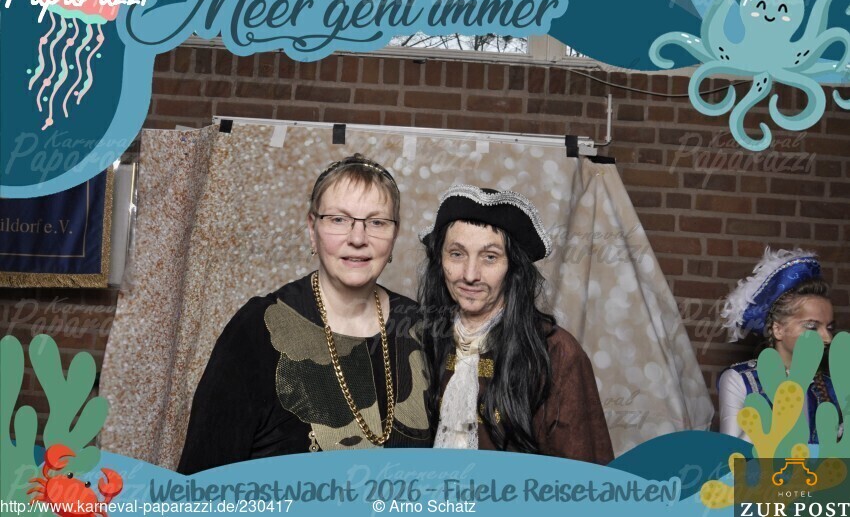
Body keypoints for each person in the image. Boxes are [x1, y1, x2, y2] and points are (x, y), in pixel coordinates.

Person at [178, 154, 431, 474]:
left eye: (377, 222)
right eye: (338, 220)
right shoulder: (257, 330)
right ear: (313, 229)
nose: (357, 238)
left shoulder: (421, 327)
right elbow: (201, 480)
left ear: (394, 235)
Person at [418, 184, 614, 462]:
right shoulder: (422, 338)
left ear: (514, 267)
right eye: (457, 254)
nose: (470, 275)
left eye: (490, 257)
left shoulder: (556, 352)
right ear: (440, 260)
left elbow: (585, 473)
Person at [718, 248, 839, 443]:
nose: (827, 338)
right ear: (778, 329)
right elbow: (731, 455)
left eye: (830, 328)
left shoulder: (832, 386)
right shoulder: (741, 380)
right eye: (812, 326)